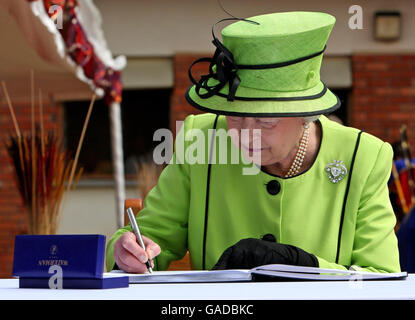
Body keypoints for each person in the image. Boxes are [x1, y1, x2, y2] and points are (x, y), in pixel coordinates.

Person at [106, 12, 400, 274]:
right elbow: (152, 235)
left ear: (306, 116)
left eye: (266, 121)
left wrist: (306, 265)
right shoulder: (200, 140)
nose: (246, 134)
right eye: (234, 117)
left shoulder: (364, 156)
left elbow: (382, 276)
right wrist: (125, 251)